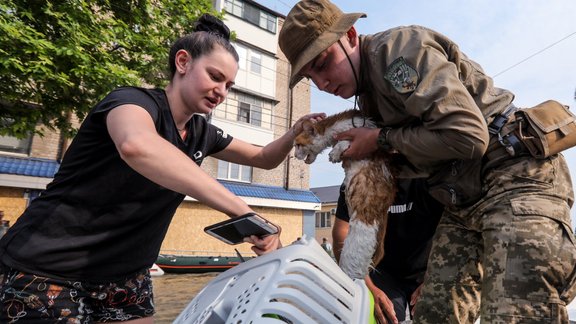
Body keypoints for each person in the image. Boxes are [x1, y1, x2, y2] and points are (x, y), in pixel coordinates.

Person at [0, 14, 324, 323]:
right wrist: (246, 214)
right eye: (215, 77)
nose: (222, 92)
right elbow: (137, 146)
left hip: (126, 275)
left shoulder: (202, 132)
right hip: (48, 266)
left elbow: (264, 158)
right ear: (182, 62)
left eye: (229, 85)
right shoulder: (130, 102)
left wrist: (293, 132)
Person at [279, 0, 576, 322]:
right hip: (463, 196)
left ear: (350, 35)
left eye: (323, 63)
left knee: (518, 309)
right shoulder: (368, 95)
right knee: (436, 312)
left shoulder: (396, 53)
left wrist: (379, 140)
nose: (322, 83)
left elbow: (468, 136)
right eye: (311, 77)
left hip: (512, 177)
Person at [333, 179, 443, 324]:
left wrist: (437, 279)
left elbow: (458, 231)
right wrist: (366, 286)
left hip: (429, 269)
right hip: (381, 270)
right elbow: (341, 233)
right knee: (382, 315)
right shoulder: (360, 179)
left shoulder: (433, 174)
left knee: (436, 314)